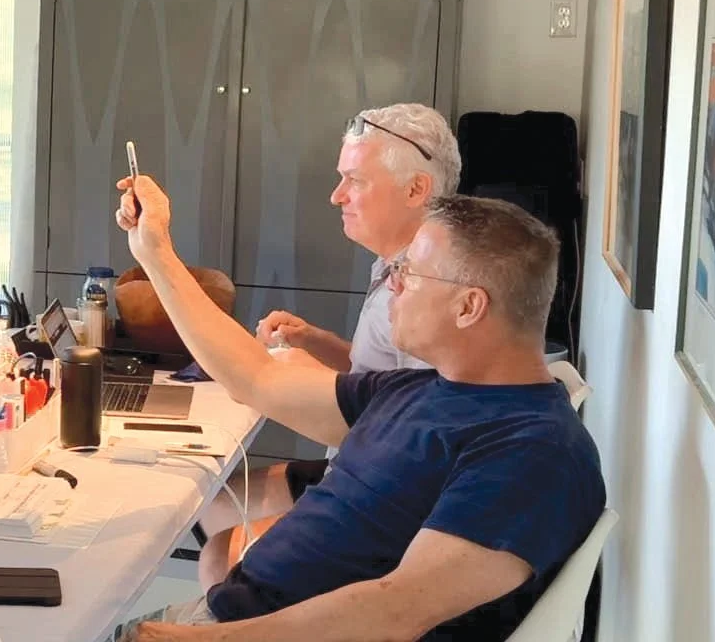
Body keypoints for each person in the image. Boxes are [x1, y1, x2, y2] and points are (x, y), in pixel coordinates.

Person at [116, 179, 604, 640]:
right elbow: (256, 377)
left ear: (468, 307)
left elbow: (394, 611)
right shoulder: (423, 389)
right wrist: (156, 253)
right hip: (229, 616)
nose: (392, 284)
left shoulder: (535, 451)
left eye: (408, 272)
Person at [198, 102, 463, 586]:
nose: (336, 196)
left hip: (385, 490)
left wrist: (304, 379)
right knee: (216, 505)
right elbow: (388, 382)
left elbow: (412, 435)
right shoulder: (391, 265)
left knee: (220, 556)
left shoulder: (426, 288)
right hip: (357, 466)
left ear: (416, 189)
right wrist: (315, 342)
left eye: (355, 180)